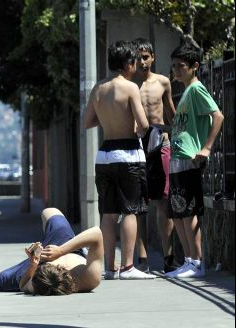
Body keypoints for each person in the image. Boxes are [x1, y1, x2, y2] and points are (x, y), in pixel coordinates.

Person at [84, 40, 154, 280]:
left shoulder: (98, 88)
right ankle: (128, 267)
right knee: (130, 211)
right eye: (134, 61)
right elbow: (143, 125)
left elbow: (87, 122)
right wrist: (135, 125)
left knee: (108, 213)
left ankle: (109, 268)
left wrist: (107, 120)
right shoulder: (130, 88)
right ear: (127, 64)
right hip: (128, 154)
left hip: (104, 156)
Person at [165, 42, 224, 278]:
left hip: (189, 158)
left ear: (194, 67)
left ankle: (197, 262)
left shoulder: (197, 89)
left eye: (181, 66)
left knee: (188, 211)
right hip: (177, 157)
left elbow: (217, 116)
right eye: (174, 66)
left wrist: (207, 148)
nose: (176, 70)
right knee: (178, 212)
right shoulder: (187, 92)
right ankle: (189, 259)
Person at [0, 208, 104, 295]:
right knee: (50, 211)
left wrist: (34, 264)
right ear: (62, 269)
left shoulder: (39, 284)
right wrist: (61, 250)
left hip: (37, 262)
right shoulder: (89, 279)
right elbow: (96, 233)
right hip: (66, 248)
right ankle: (61, 243)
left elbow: (22, 286)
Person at [132, 38, 178, 274]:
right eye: (138, 57)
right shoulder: (130, 85)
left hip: (161, 142)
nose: (142, 62)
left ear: (153, 57)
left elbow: (171, 114)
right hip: (138, 144)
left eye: (145, 57)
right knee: (139, 204)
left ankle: (168, 256)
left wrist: (177, 137)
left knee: (163, 202)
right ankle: (141, 258)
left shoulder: (163, 82)